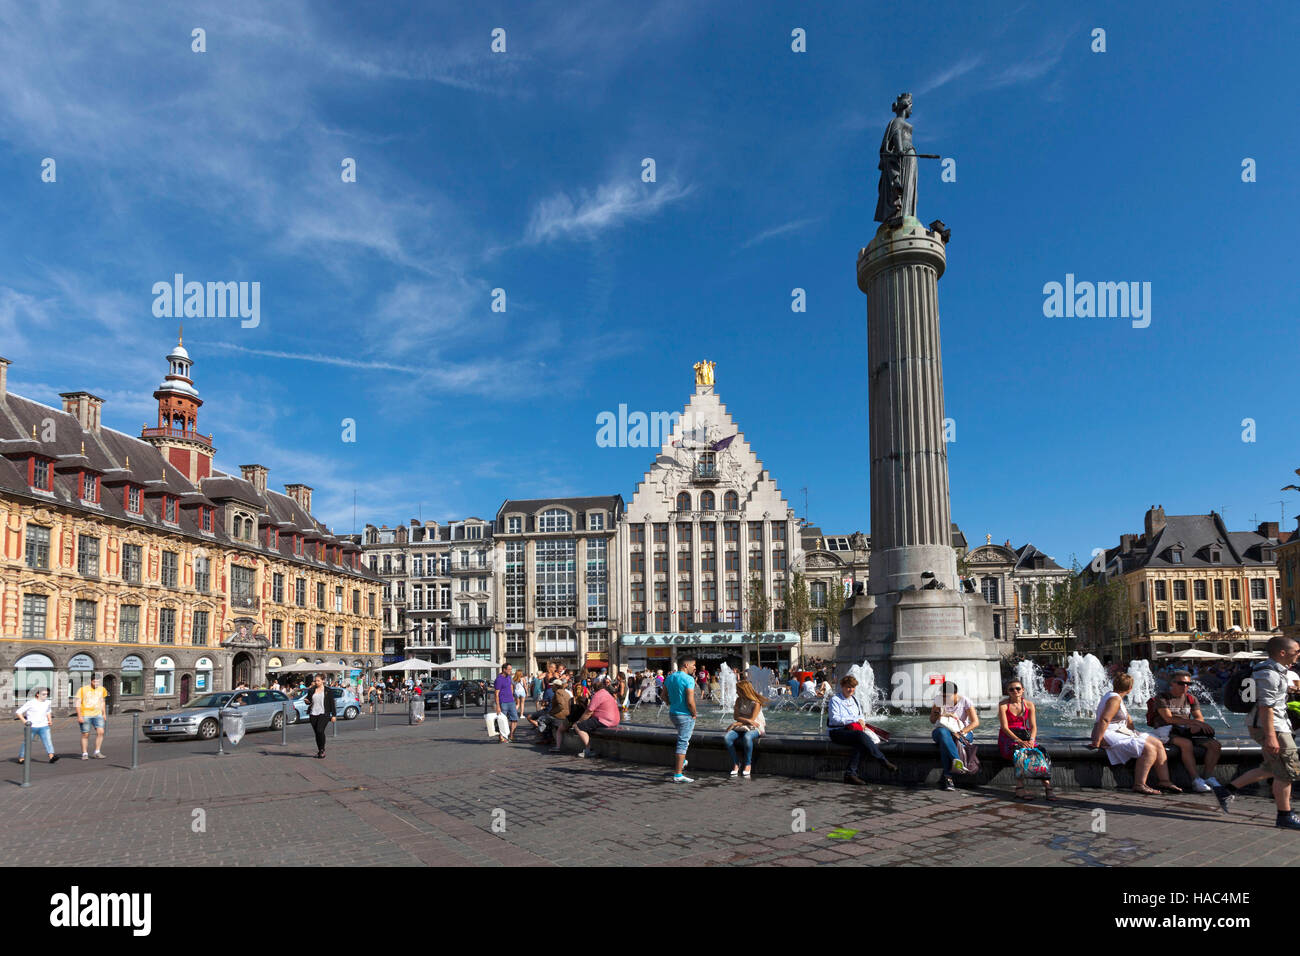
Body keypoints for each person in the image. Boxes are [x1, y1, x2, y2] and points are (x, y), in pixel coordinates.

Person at [1211, 636, 1300, 828]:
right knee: (1286, 771)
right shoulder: (1269, 674)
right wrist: (1270, 737)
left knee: (1271, 767)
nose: (1298, 655)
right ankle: (1285, 815)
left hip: (1274, 725)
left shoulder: (1274, 671)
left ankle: (1226, 790)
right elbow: (1265, 707)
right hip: (1273, 727)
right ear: (1282, 653)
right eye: (1296, 652)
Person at [1091, 672, 1179, 795]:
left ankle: (1164, 781)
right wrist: (1097, 741)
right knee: (1148, 748)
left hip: (1120, 732)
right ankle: (1139, 784)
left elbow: (1128, 720)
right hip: (1108, 734)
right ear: (1130, 688)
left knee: (1157, 743)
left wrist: (1134, 733)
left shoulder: (1116, 697)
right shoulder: (1114, 699)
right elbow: (1105, 719)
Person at [1148, 670, 1221, 792]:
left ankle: (1208, 777)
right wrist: (1192, 722)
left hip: (1185, 730)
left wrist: (1198, 724)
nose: (1185, 686)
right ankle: (1195, 779)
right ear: (1172, 683)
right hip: (1166, 730)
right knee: (1186, 744)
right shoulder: (1162, 697)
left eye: (1188, 684)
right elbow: (1168, 718)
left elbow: (1199, 717)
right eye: (1181, 683)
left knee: (1215, 745)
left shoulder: (1191, 699)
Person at [828, 676, 897, 784]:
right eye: (848, 687)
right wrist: (854, 720)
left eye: (853, 687)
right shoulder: (835, 700)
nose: (851, 690)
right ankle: (882, 760)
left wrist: (862, 721)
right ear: (842, 687)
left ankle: (850, 774)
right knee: (860, 736)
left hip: (853, 731)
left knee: (861, 743)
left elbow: (861, 716)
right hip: (837, 732)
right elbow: (834, 720)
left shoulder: (855, 699)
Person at [998, 679, 1054, 801]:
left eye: (1018, 688)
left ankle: (1047, 786)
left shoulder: (1029, 705)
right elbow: (1005, 727)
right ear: (1007, 692)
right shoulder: (1003, 705)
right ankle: (1020, 787)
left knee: (1041, 752)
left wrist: (1032, 740)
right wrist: (1018, 740)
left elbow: (1033, 726)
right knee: (1020, 752)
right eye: (1011, 689)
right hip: (1008, 736)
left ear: (1023, 690)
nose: (1015, 691)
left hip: (1025, 734)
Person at [930, 681, 979, 792]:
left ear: (955, 693)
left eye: (947, 696)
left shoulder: (965, 701)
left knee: (945, 743)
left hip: (962, 732)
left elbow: (975, 722)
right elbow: (932, 721)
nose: (945, 698)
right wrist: (937, 712)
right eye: (943, 695)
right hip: (941, 731)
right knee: (943, 733)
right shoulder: (938, 700)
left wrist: (961, 732)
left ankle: (948, 778)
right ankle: (956, 759)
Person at [724, 679, 768, 778]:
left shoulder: (756, 703)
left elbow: (752, 720)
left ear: (744, 690)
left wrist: (735, 724)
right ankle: (736, 763)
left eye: (738, 690)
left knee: (747, 737)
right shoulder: (739, 700)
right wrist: (738, 722)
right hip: (742, 726)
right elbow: (736, 716)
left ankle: (748, 764)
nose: (736, 692)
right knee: (727, 738)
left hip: (756, 727)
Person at [665, 658, 698, 783]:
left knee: (683, 737)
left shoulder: (670, 677)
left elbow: (663, 696)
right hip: (685, 715)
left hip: (673, 714)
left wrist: (671, 703)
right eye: (694, 665)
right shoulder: (689, 679)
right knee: (683, 742)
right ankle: (678, 775)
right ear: (686, 665)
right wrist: (694, 714)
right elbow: (690, 701)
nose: (695, 668)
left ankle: (682, 761)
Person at [570, 677, 621, 758]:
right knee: (588, 724)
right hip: (615, 720)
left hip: (605, 720)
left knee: (579, 727)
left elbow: (589, 711)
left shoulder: (597, 695)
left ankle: (588, 750)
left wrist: (579, 722)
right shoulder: (607, 694)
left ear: (594, 688)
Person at [15, 687, 58, 764]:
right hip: (31, 727)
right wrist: (25, 721)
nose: (45, 696)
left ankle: (52, 757)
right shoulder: (31, 703)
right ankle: (21, 758)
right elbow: (18, 712)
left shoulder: (47, 702)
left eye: (47, 694)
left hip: (44, 726)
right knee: (27, 743)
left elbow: (48, 711)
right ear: (37, 694)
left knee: (48, 741)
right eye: (43, 694)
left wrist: (50, 720)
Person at [75, 674, 109, 759]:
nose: (96, 683)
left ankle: (97, 752)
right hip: (85, 714)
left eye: (98, 682)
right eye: (94, 681)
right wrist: (79, 716)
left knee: (101, 732)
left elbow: (102, 701)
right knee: (85, 734)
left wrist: (104, 713)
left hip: (98, 714)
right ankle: (85, 753)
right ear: (91, 681)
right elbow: (77, 703)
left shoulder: (102, 689)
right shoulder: (82, 690)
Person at [306, 674, 336, 758]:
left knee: (320, 730)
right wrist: (306, 701)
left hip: (324, 713)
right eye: (315, 680)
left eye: (318, 680)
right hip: (313, 713)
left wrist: (333, 715)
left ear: (323, 681)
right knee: (317, 733)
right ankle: (320, 750)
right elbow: (308, 700)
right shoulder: (312, 690)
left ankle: (322, 750)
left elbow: (332, 703)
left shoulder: (328, 690)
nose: (316, 682)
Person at [546, 679, 573, 753]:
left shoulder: (558, 692)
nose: (551, 687)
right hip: (567, 713)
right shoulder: (565, 692)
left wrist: (552, 713)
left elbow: (560, 706)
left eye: (552, 686)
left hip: (561, 714)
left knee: (543, 719)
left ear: (555, 686)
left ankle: (548, 738)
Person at [492, 663, 517, 743]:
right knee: (502, 720)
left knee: (514, 719)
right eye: (509, 669)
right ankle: (501, 737)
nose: (511, 671)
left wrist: (513, 696)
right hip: (503, 702)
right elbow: (496, 694)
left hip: (511, 701)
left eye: (511, 669)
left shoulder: (509, 677)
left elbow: (511, 686)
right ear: (504, 670)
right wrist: (498, 706)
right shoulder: (499, 679)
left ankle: (511, 736)